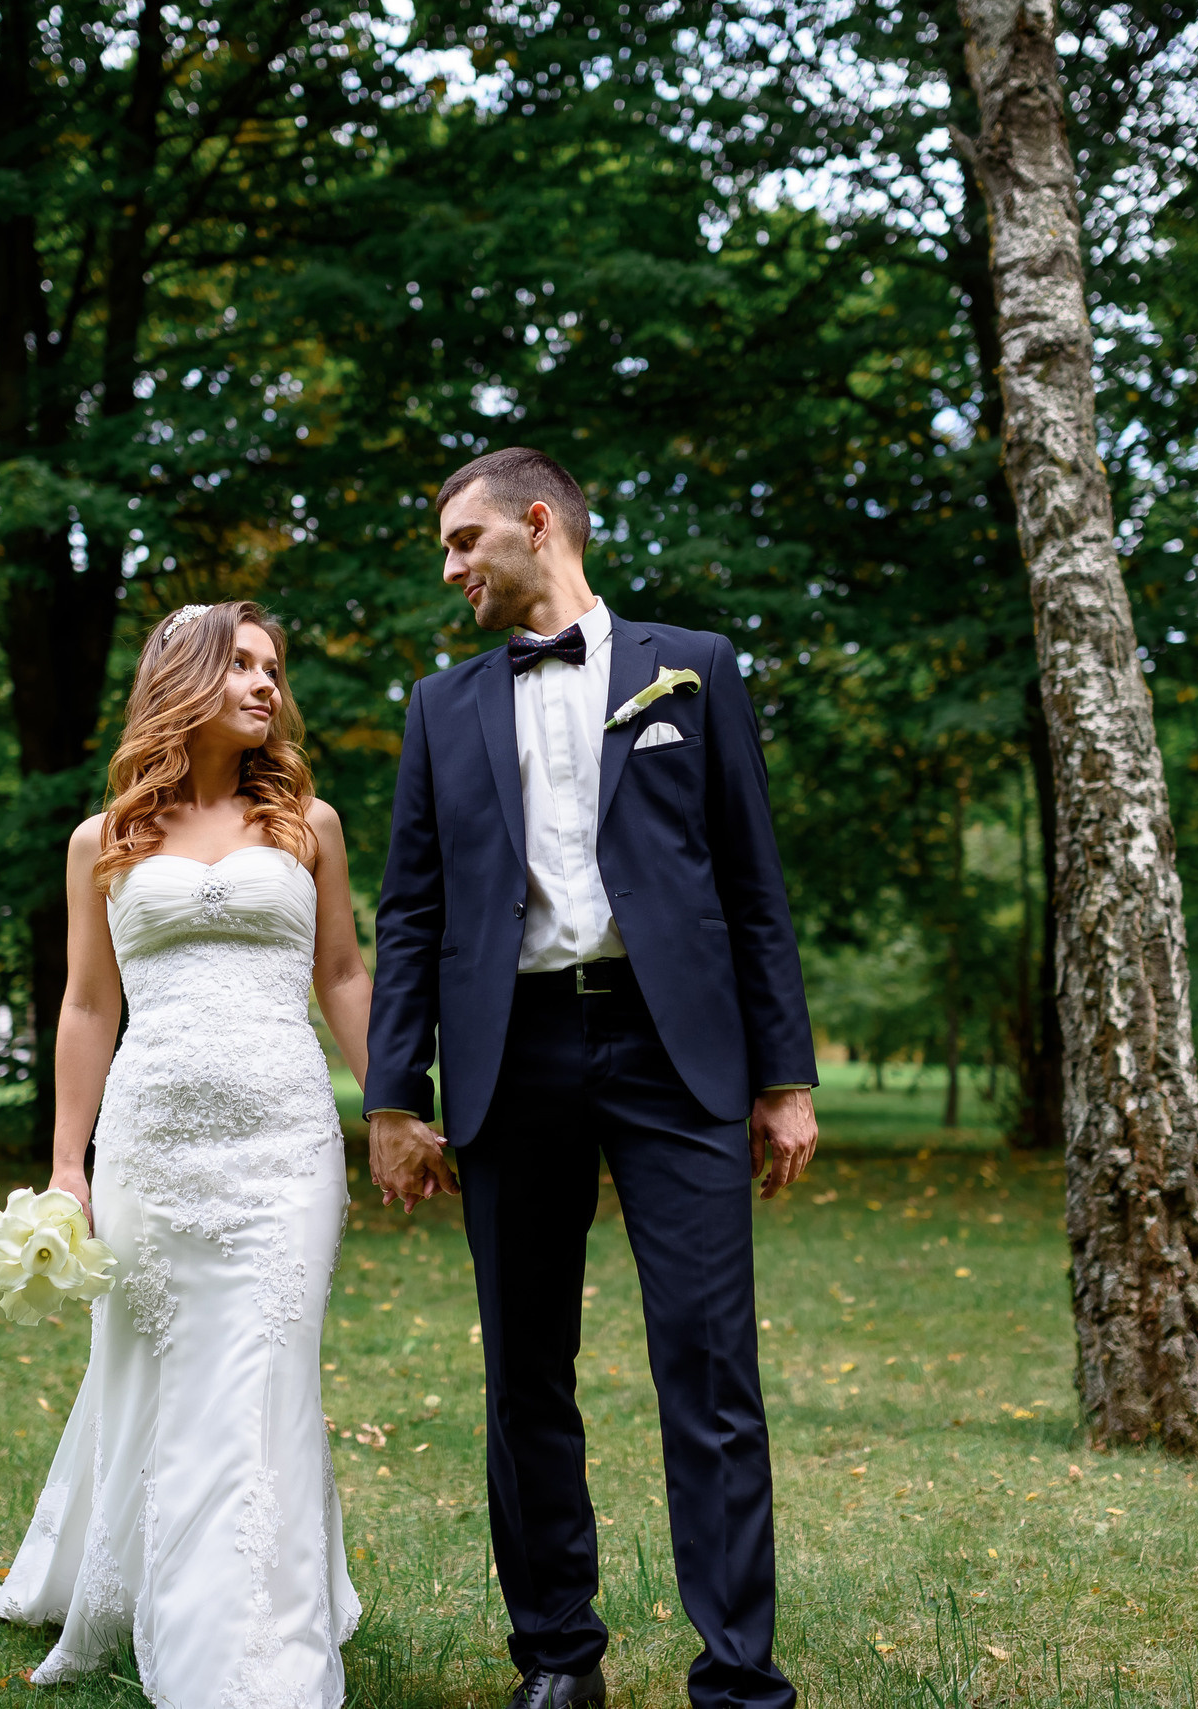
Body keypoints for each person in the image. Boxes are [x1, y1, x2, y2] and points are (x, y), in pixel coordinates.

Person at [365, 448, 820, 1709]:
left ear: (535, 522)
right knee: (523, 1372)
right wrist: (396, 1095)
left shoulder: (699, 667)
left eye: (463, 542)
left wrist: (784, 1074)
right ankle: (558, 1658)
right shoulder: (439, 708)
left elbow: (752, 883)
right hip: (514, 1057)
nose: (450, 568)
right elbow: (410, 915)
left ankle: (737, 1671)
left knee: (709, 1363)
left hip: (678, 1055)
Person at [0, 600, 370, 1702]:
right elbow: (87, 1007)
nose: (267, 683)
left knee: (265, 1372)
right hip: (152, 1146)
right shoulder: (104, 838)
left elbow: (341, 976)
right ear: (182, 677)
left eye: (276, 666)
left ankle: (255, 1647)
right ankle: (141, 1581)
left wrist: (402, 1108)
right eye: (242, 664)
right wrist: (68, 1167)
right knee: (155, 1374)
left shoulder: (309, 826)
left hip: (283, 1142)